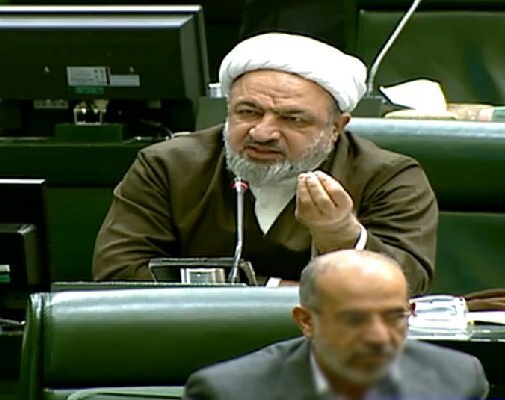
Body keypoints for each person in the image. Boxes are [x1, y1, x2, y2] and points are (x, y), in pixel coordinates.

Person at [92, 32, 438, 294]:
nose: (262, 132)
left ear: (336, 127)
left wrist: (341, 235)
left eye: (292, 119)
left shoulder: (387, 176)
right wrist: (274, 290)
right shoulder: (169, 166)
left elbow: (407, 285)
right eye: (248, 112)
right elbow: (117, 272)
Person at [183, 250, 489, 400]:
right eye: (354, 319)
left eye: (394, 317)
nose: (378, 337)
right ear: (306, 321)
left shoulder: (458, 378)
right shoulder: (229, 392)